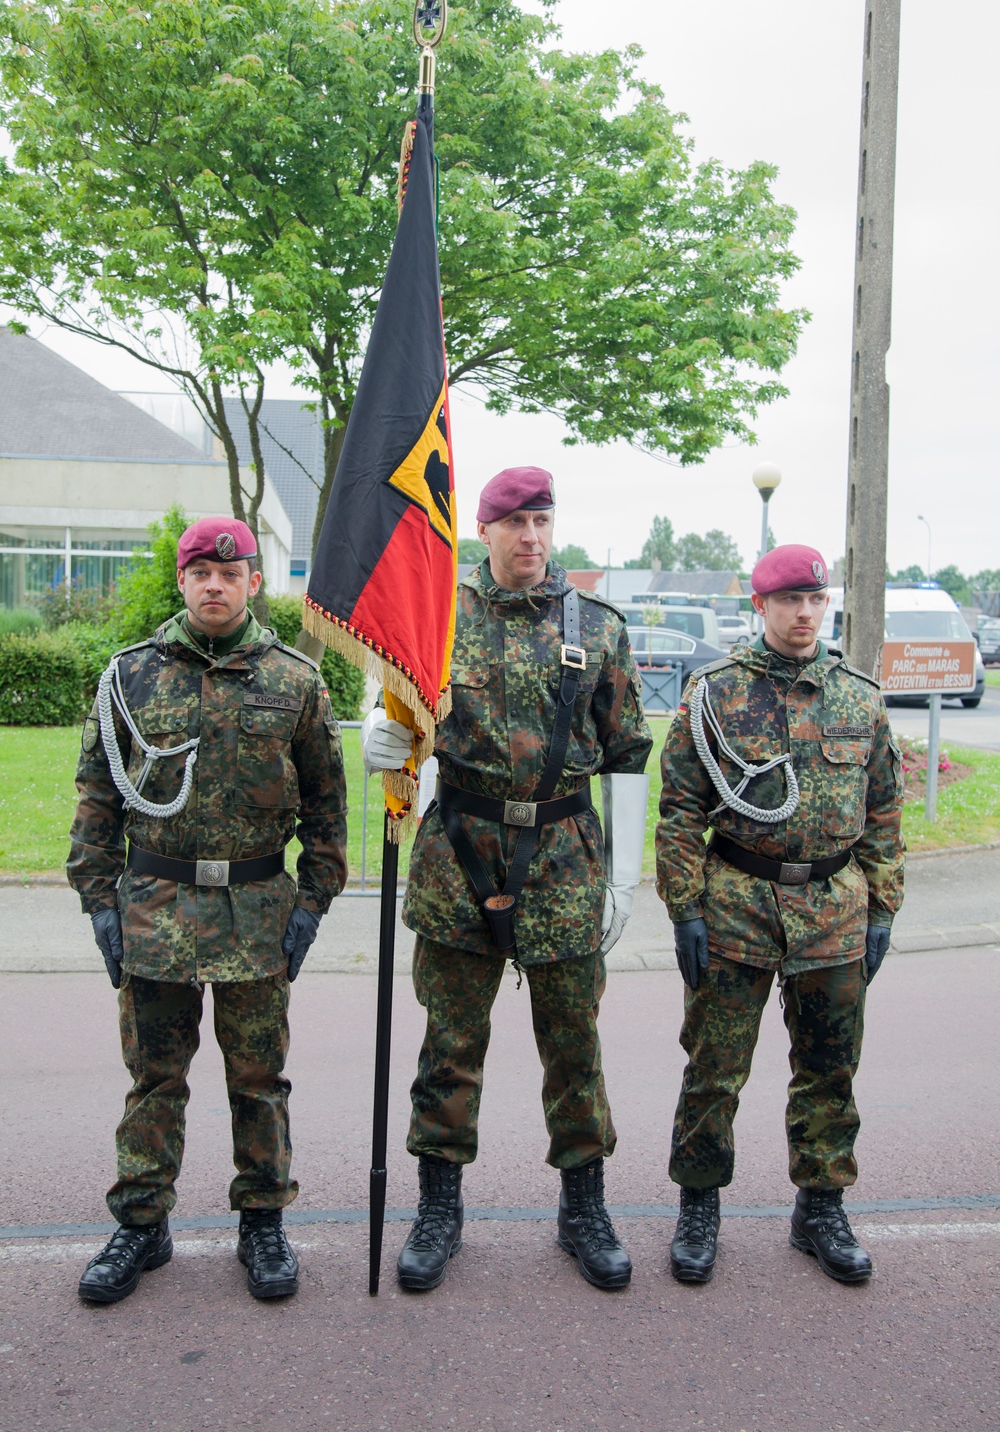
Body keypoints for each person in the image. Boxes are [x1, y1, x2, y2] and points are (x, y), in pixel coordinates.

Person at [362, 467, 652, 1292]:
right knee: (449, 1046)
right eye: (515, 522)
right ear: (482, 532)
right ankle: (439, 1207)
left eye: (543, 521)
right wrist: (378, 747)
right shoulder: (436, 618)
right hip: (458, 852)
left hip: (564, 859)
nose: (531, 537)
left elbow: (628, 749)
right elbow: (396, 718)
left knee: (574, 1047)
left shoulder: (595, 627)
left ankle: (584, 1207)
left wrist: (624, 877)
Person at [68, 517, 348, 1304]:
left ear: (255, 581)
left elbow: (328, 804)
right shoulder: (128, 678)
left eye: (231, 573)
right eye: (200, 573)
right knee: (154, 1080)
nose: (215, 585)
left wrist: (314, 902)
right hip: (155, 910)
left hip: (257, 914)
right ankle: (142, 1224)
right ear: (184, 582)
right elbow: (96, 800)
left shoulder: (295, 680)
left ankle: (262, 1222)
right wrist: (98, 904)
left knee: (258, 1079)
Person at [656, 545, 904, 1285]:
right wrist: (684, 908)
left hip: (833, 910)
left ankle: (820, 1206)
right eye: (789, 600)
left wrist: (884, 905)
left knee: (829, 1068)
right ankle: (699, 1205)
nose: (804, 613)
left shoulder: (860, 697)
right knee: (714, 1067)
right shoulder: (716, 693)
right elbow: (678, 811)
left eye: (814, 599)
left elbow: (885, 813)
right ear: (760, 606)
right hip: (736, 905)